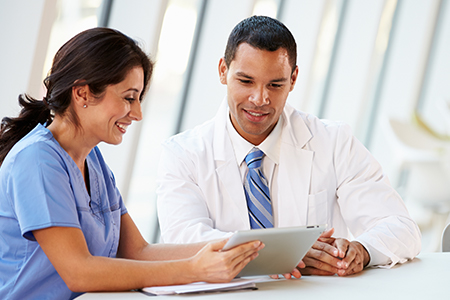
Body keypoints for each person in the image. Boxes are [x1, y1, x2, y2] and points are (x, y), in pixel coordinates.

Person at [0, 28, 263, 300]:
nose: (137, 114)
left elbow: (138, 252)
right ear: (82, 94)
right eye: (128, 98)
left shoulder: (93, 161)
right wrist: (192, 270)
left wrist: (237, 249)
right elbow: (80, 272)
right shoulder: (37, 161)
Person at [156, 15, 421, 277]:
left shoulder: (332, 141)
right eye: (246, 81)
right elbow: (183, 241)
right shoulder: (182, 154)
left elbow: (401, 227)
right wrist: (284, 255)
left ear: (293, 79)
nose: (260, 99)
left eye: (275, 84)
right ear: (223, 71)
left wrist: (361, 251)